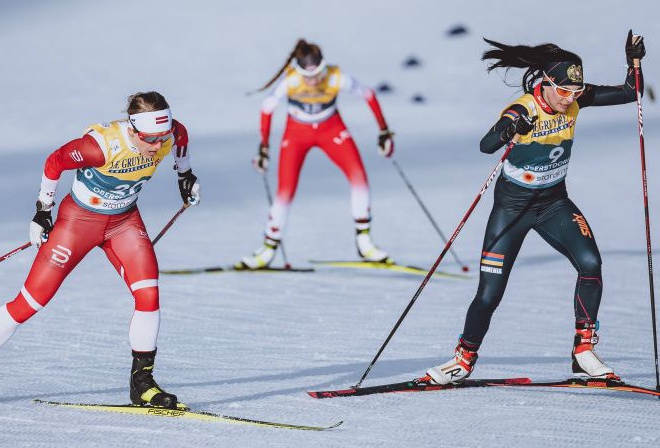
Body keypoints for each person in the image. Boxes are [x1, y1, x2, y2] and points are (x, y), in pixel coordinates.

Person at [0, 91, 200, 409]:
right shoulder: (99, 147)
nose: (156, 146)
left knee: (149, 295)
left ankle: (143, 384)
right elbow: (55, 161)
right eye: (150, 138)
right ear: (133, 129)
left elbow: (181, 142)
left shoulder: (172, 132)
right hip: (78, 223)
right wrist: (43, 210)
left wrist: (185, 175)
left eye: (161, 136)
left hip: (124, 223)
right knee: (30, 302)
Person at [424, 32, 646, 385]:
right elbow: (486, 145)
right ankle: (462, 360)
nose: (569, 99)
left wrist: (634, 63)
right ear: (546, 83)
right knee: (489, 293)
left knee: (591, 264)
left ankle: (583, 352)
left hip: (554, 202)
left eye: (576, 92)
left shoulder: (574, 98)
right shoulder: (523, 108)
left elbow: (629, 92)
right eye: (563, 91)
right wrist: (511, 129)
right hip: (512, 209)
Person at [239, 39, 395, 269]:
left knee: (359, 177)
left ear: (324, 66)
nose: (313, 81)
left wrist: (383, 131)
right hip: (297, 133)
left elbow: (369, 95)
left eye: (318, 73)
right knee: (285, 190)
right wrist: (264, 148)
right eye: (307, 76)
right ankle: (267, 250)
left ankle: (365, 243)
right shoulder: (290, 80)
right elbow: (267, 107)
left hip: (331, 128)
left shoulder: (336, 76)